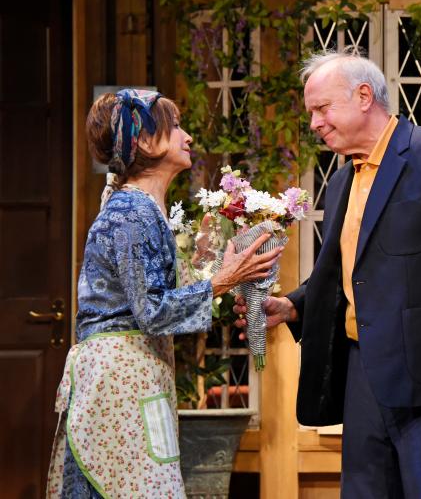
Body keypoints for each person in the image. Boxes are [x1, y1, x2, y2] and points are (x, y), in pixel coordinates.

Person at [235, 47, 421, 498]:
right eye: (311, 112)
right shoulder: (340, 182)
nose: (315, 123)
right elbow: (344, 274)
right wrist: (292, 307)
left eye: (322, 108)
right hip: (363, 374)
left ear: (362, 96)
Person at [46, 89, 282, 498]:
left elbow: (174, 292)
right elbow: (152, 310)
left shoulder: (144, 208)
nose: (187, 136)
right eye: (175, 127)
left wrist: (227, 263)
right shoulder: (131, 212)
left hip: (135, 376)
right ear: (144, 141)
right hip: (119, 382)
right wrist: (222, 280)